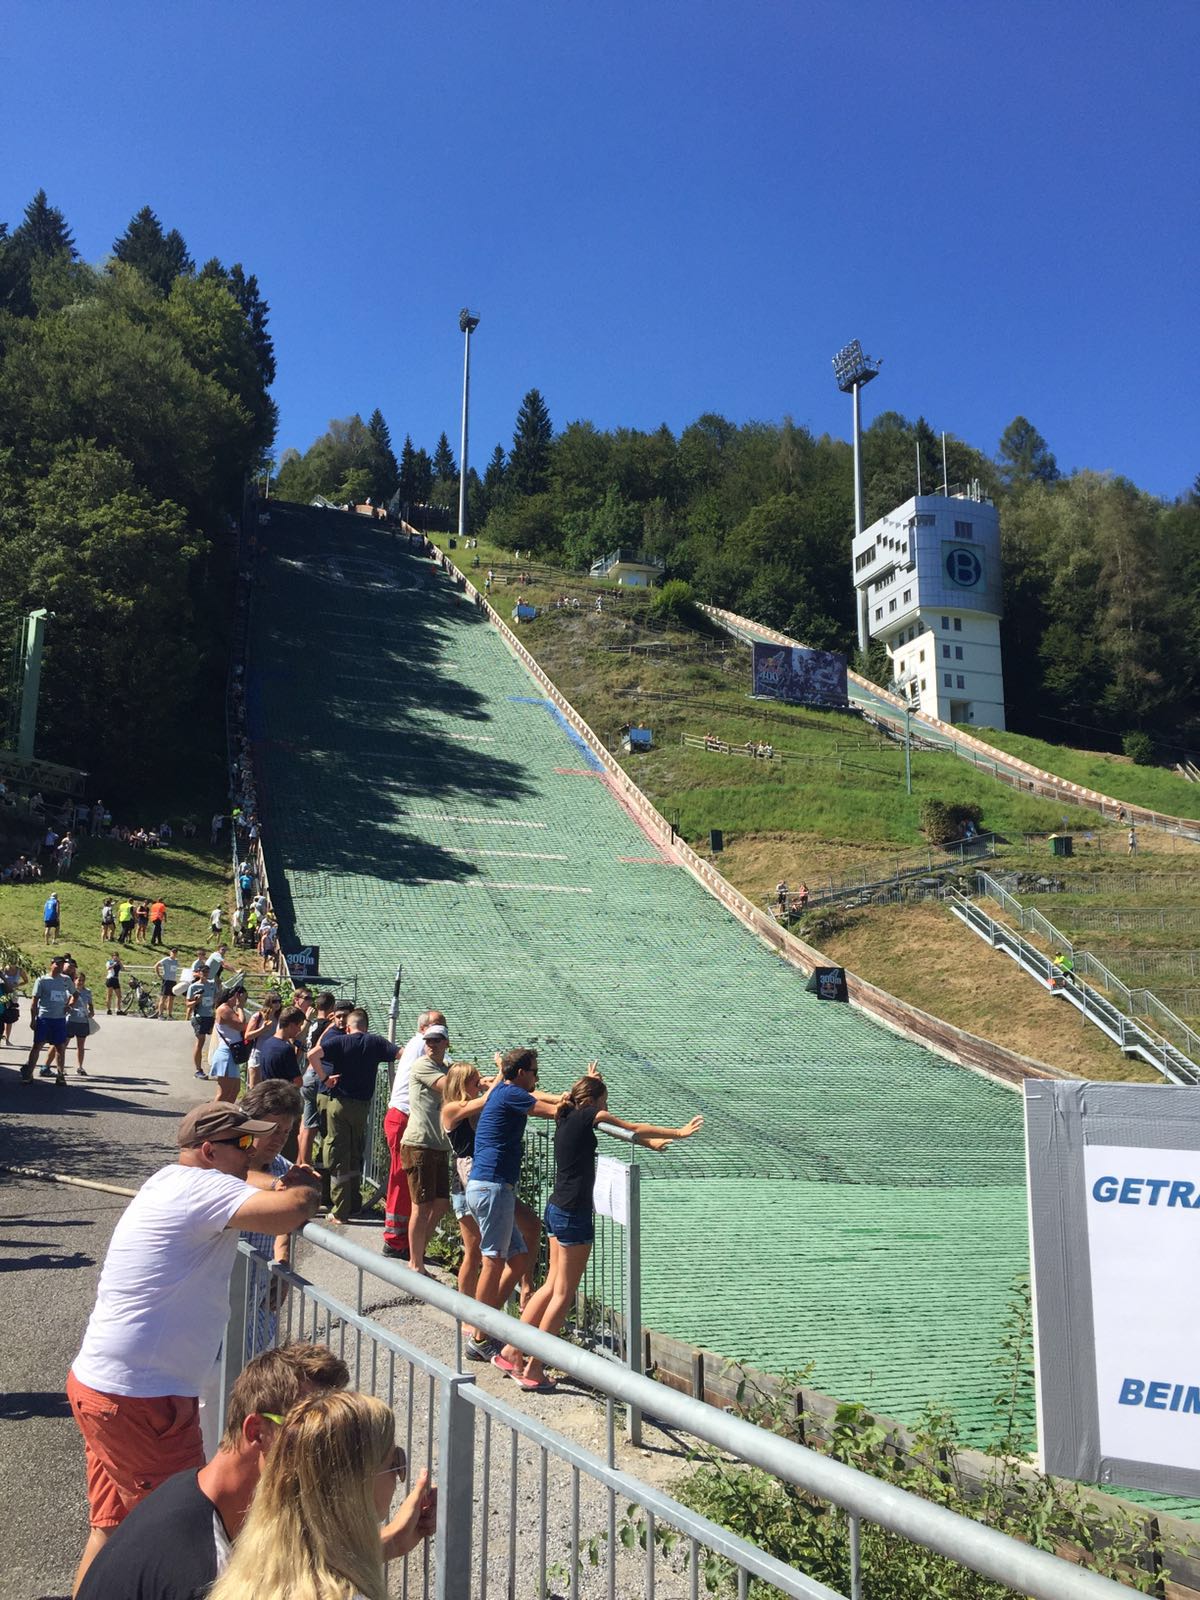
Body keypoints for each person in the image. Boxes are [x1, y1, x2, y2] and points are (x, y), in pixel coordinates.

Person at [66, 1102, 320, 1589]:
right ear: (209, 1150)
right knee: (191, 1541)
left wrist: (275, 1180)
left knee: (111, 1529)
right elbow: (290, 1211)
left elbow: (259, 1183)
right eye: (243, 1143)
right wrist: (306, 1185)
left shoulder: (170, 1179)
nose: (254, 1152)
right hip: (145, 1400)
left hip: (105, 1385)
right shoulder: (205, 1187)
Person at [75, 1341, 436, 1600]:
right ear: (257, 1432)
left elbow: (280, 1572)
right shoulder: (202, 1571)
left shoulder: (194, 1496)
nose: (328, 1449)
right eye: (308, 1430)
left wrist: (385, 1544)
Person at [505, 1071, 703, 1390]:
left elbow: (626, 1131)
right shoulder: (590, 1114)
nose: (606, 1107)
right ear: (595, 1101)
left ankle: (512, 1349)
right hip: (574, 1213)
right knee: (563, 1293)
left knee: (550, 1285)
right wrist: (678, 1133)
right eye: (605, 1101)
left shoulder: (564, 1112)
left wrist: (648, 1143)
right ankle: (534, 1368)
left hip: (556, 1207)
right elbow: (632, 1127)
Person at [207, 1390, 429, 1600]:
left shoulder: (245, 1576)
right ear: (356, 1486)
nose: (398, 1477)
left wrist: (390, 1544)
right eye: (396, 1461)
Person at [466, 1047, 563, 1328]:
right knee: (493, 1261)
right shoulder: (511, 1094)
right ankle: (479, 1331)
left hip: (489, 1186)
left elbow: (538, 1096)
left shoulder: (502, 1090)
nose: (536, 1077)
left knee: (518, 1259)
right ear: (521, 1073)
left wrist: (565, 1098)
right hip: (492, 1186)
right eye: (534, 1072)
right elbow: (552, 1112)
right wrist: (583, 1104)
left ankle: (490, 1326)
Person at [309, 1007, 399, 1224]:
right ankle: (355, 1204)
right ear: (366, 1027)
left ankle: (340, 1211)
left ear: (348, 1027)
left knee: (338, 1153)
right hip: (362, 1106)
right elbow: (401, 1054)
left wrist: (325, 1078)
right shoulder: (376, 1042)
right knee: (355, 1152)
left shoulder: (340, 1042)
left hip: (339, 1103)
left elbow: (312, 1055)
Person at [382, 1008, 449, 1260]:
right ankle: (396, 1240)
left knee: (405, 1179)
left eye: (442, 1029)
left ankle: (406, 1241)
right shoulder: (422, 1048)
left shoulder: (418, 1045)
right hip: (405, 1117)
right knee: (402, 1179)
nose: (436, 1037)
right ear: (423, 1029)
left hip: (404, 1117)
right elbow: (450, 1080)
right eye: (435, 1027)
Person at [399, 1025, 453, 1273]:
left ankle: (418, 1251)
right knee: (420, 1207)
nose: (431, 1044)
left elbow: (461, 1080)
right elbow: (451, 1087)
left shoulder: (447, 1067)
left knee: (440, 1204)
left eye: (436, 1040)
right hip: (419, 1144)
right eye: (428, 1040)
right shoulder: (422, 1065)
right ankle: (415, 1263)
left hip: (438, 1146)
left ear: (446, 1043)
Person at [299, 992, 340, 1168]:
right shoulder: (327, 1027)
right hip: (318, 1073)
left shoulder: (314, 1023)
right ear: (332, 1007)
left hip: (307, 1073)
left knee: (305, 1123)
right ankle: (307, 1164)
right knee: (313, 1126)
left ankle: (300, 1162)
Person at [22, 954, 76, 1084]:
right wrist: (33, 1019)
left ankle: (60, 1075)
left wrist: (70, 1006)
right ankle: (29, 1074)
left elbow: (75, 994)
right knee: (37, 1045)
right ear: (51, 964)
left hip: (59, 1019)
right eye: (57, 964)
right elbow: (34, 1002)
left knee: (60, 1047)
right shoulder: (42, 980)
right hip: (44, 1018)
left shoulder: (66, 980)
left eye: (62, 964)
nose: (60, 966)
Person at [210, 983, 250, 1104]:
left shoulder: (230, 1010)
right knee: (223, 1093)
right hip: (226, 1054)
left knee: (234, 1090)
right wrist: (240, 1007)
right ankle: (212, 1112)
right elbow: (241, 1025)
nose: (244, 1001)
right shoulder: (224, 1009)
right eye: (244, 998)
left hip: (232, 1054)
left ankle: (225, 1112)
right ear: (237, 996)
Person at [250, 1005, 306, 1088]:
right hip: (282, 1093)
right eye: (299, 1026)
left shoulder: (267, 1043)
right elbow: (298, 1082)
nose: (299, 1030)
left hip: (268, 1091)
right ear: (291, 1025)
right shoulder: (286, 1049)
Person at [188, 966, 221, 1078]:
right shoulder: (193, 986)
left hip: (210, 1016)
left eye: (207, 972)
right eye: (203, 972)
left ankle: (216, 1068)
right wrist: (197, 1001)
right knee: (200, 1041)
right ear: (198, 973)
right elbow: (188, 1004)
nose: (206, 974)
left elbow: (217, 996)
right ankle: (198, 1070)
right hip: (199, 1017)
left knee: (216, 1041)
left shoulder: (212, 985)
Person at [65, 968, 95, 1076]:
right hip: (71, 1020)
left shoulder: (87, 992)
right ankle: (61, 1066)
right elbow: (66, 1004)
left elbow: (90, 1004)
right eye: (79, 980)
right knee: (64, 1044)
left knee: (81, 1045)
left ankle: (80, 1067)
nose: (80, 982)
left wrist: (91, 1011)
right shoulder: (69, 991)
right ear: (74, 980)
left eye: (82, 980)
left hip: (83, 1021)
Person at [155, 948, 182, 1019]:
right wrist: (159, 975)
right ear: (170, 952)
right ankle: (160, 1014)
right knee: (163, 998)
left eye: (175, 952)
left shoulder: (176, 961)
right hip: (166, 980)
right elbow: (157, 965)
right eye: (173, 952)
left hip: (173, 981)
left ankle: (169, 1015)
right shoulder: (166, 959)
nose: (174, 954)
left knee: (171, 998)